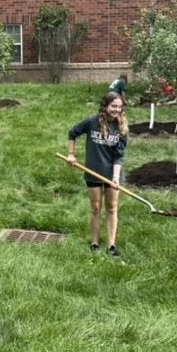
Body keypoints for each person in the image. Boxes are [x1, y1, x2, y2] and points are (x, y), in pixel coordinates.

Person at [66, 91, 128, 257]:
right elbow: (72, 133)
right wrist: (71, 154)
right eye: (114, 106)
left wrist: (115, 177)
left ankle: (111, 245)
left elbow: (119, 156)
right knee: (95, 208)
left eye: (119, 107)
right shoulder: (91, 122)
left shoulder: (121, 127)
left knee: (112, 207)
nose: (116, 110)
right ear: (105, 106)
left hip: (112, 174)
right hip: (93, 171)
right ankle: (94, 242)